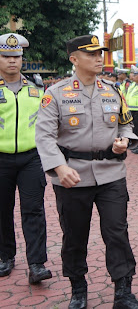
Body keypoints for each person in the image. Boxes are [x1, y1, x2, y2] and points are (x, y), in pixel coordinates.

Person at [36, 35, 138, 309]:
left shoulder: (113, 90)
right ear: (73, 58)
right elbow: (44, 136)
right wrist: (59, 167)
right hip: (72, 176)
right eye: (91, 54)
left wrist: (125, 140)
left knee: (117, 233)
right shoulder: (56, 94)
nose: (99, 58)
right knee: (74, 235)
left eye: (101, 53)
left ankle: (123, 292)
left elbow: (126, 125)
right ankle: (78, 289)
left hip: (111, 174)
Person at [0, 33, 52, 284]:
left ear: (22, 59)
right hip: (0, 158)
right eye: (6, 56)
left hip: (32, 158)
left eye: (16, 57)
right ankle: (5, 256)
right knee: (2, 210)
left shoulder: (37, 87)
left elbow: (49, 122)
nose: (12, 61)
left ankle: (37, 263)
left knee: (33, 210)